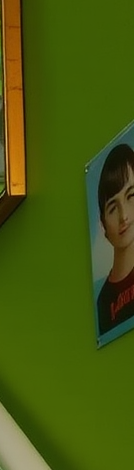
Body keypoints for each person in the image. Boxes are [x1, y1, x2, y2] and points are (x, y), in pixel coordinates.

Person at [95, 142, 134, 342]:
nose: (124, 216)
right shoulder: (103, 302)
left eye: (131, 196)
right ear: (103, 226)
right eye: (112, 207)